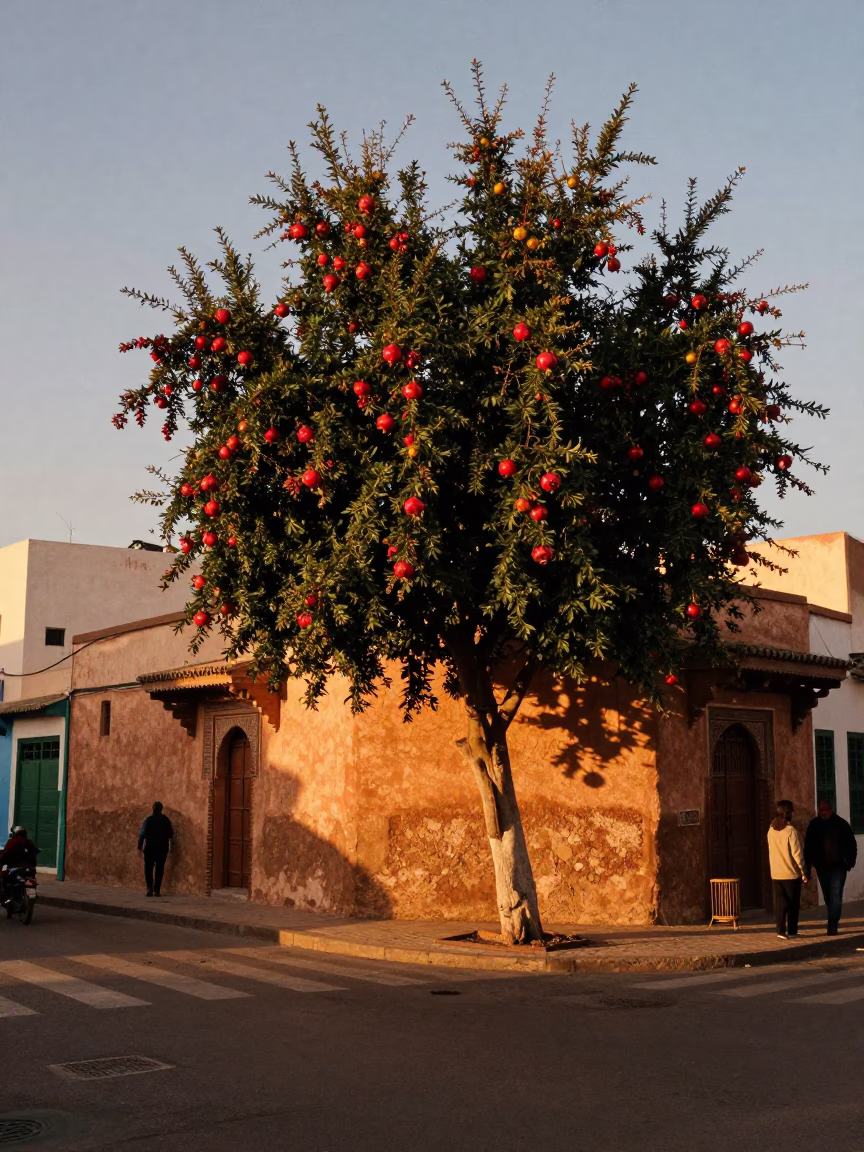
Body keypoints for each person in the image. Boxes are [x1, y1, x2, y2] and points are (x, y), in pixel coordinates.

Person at [804, 797, 858, 935]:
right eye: (821, 810)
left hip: (838, 866)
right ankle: (833, 918)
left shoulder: (841, 824)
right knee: (829, 896)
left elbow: (851, 844)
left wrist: (849, 862)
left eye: (826, 810)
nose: (824, 813)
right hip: (822, 866)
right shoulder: (814, 825)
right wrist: (808, 865)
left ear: (831, 809)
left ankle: (832, 925)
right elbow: (808, 846)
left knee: (835, 895)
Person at [767, 800, 807, 940]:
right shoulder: (791, 831)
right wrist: (803, 871)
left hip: (776, 873)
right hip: (790, 873)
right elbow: (797, 854)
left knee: (780, 903)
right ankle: (792, 931)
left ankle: (780, 930)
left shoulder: (770, 830)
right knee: (792, 904)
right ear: (788, 813)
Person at [137, 802, 173, 897]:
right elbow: (171, 834)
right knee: (160, 868)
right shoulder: (166, 820)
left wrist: (139, 847)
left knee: (148, 868)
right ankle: (157, 890)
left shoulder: (148, 820)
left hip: (150, 848)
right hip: (162, 848)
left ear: (153, 809)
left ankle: (149, 888)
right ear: (161, 809)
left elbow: (142, 834)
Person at [0, 827, 38, 904]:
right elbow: (35, 852)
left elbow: (5, 853)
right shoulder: (28, 842)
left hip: (14, 867)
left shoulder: (12, 842)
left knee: (3, 878)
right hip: (28, 868)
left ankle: (4, 897)